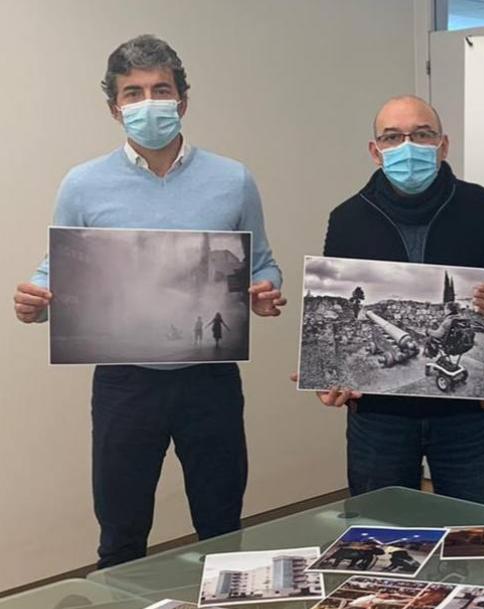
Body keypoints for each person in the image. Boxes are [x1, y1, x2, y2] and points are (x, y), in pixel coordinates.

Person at [11, 35, 285, 568]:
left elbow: (263, 264)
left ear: (182, 100)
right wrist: (35, 300)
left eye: (161, 89)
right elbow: (57, 269)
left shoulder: (232, 179)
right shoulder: (83, 184)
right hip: (125, 380)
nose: (148, 102)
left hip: (210, 376)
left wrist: (265, 293)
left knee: (221, 521)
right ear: (114, 108)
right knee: (121, 529)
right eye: (132, 93)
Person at [310, 95, 484, 506]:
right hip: (378, 420)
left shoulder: (482, 208)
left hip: (467, 419)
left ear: (443, 145)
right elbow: (343, 306)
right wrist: (330, 375)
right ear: (375, 151)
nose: (408, 146)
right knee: (380, 532)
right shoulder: (347, 219)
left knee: (472, 535)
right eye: (392, 137)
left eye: (422, 134)